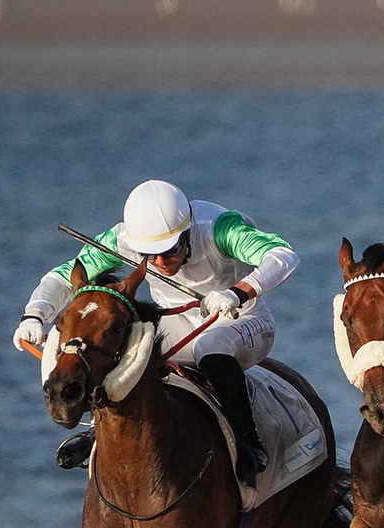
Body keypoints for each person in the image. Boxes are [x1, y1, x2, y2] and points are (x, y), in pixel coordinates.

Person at [17, 180, 296, 483]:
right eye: (150, 256)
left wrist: (237, 293)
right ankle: (96, 429)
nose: (161, 263)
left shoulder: (219, 228)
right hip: (175, 324)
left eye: (171, 251)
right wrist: (34, 315)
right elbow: (62, 275)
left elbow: (282, 254)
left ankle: (250, 443)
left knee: (209, 347)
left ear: (187, 231)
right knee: (104, 344)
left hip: (242, 319)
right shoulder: (123, 238)